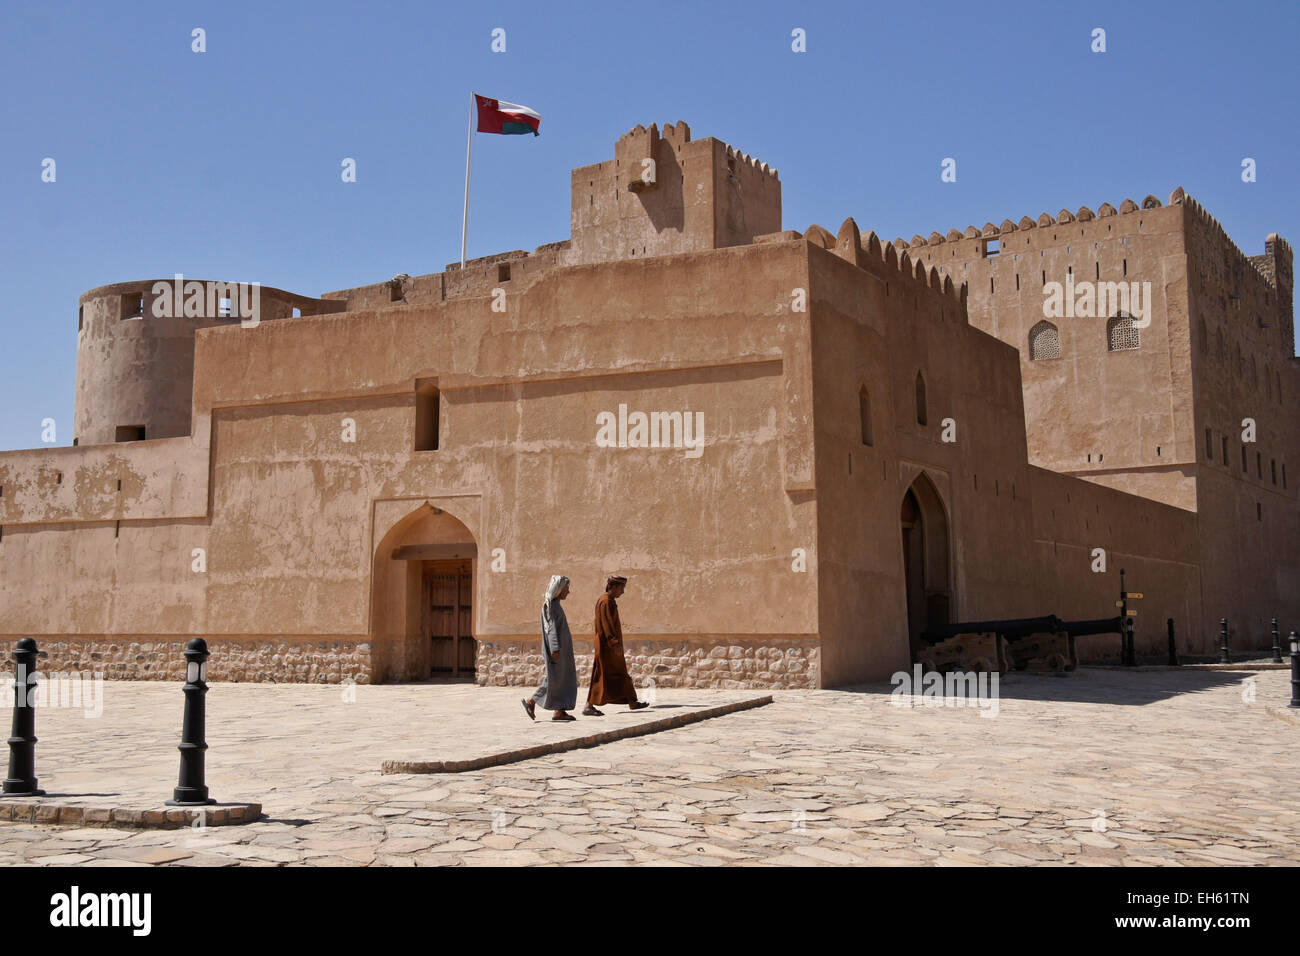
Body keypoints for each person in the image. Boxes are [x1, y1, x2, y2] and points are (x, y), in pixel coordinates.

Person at [583, 575, 649, 716]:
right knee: (601, 675)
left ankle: (632, 701)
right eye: (621, 588)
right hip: (608, 646)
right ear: (613, 587)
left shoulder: (608, 600)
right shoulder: (606, 602)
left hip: (609, 646)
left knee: (620, 673)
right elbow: (607, 625)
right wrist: (614, 642)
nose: (623, 592)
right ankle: (589, 705)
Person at [522, 575, 577, 721]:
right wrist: (555, 649)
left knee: (561, 679)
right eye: (566, 588)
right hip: (556, 651)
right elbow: (550, 629)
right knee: (554, 679)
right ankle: (531, 701)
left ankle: (559, 711)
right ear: (559, 590)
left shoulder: (556, 605)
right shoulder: (550, 606)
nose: (568, 592)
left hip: (561, 651)